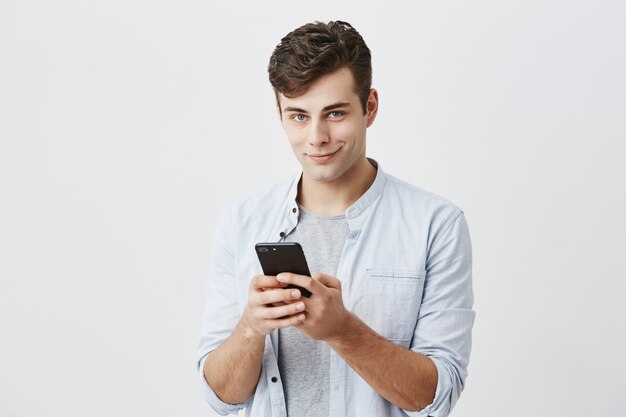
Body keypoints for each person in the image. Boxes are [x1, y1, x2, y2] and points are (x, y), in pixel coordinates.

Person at [197, 20, 474, 417]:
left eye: (335, 113)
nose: (316, 137)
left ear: (370, 107)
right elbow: (222, 398)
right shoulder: (241, 222)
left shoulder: (436, 226)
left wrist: (342, 330)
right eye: (298, 116)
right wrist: (251, 329)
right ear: (279, 113)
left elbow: (435, 397)